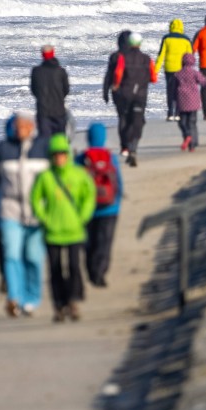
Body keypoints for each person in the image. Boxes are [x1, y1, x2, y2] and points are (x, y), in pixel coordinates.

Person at [0, 112, 49, 317]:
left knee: (33, 257)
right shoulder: (3, 149)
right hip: (10, 210)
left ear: (32, 127)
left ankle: (31, 298)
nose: (20, 129)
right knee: (12, 254)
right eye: (17, 126)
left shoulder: (42, 147)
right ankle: (14, 297)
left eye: (24, 126)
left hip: (37, 212)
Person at [31, 133, 96, 323]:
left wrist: (83, 216)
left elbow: (89, 195)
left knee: (75, 267)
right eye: (55, 154)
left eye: (62, 154)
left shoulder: (78, 174)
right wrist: (45, 218)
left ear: (67, 154)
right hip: (53, 232)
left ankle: (73, 302)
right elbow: (35, 200)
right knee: (55, 270)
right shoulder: (45, 177)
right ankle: (59, 306)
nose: (59, 158)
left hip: (74, 230)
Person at [78, 123, 122, 288]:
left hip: (87, 208)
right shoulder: (111, 158)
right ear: (104, 138)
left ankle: (90, 270)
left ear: (88, 138)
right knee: (105, 242)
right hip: (109, 207)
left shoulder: (81, 159)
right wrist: (117, 203)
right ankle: (100, 273)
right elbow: (119, 183)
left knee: (89, 241)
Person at [108, 32, 155, 166]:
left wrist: (116, 85)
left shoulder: (123, 57)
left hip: (125, 94)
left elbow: (118, 73)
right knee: (138, 120)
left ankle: (125, 147)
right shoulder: (147, 58)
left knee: (124, 118)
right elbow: (154, 77)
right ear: (140, 43)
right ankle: (133, 145)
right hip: (140, 95)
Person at [154, 19, 194, 120]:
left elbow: (161, 56)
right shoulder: (186, 40)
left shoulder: (166, 38)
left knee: (170, 91)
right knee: (180, 91)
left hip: (169, 68)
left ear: (171, 26)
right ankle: (178, 113)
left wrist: (155, 71)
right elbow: (190, 57)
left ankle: (170, 113)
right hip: (182, 69)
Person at [174, 52, 206, 150]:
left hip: (182, 103)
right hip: (193, 102)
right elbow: (204, 82)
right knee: (192, 123)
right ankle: (193, 144)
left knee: (182, 122)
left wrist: (173, 102)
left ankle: (187, 136)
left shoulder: (177, 74)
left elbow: (173, 89)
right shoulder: (195, 73)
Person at [30, 44, 70, 137]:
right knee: (60, 140)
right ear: (53, 54)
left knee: (45, 141)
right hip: (59, 110)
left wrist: (41, 98)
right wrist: (59, 98)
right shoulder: (61, 71)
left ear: (42, 55)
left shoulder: (36, 71)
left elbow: (34, 90)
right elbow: (66, 90)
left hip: (43, 111)